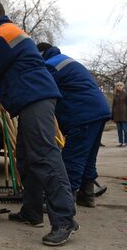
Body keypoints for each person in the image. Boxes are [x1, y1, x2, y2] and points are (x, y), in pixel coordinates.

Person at [0, 0, 77, 246]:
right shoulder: (14, 35)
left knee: (44, 157)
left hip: (36, 99)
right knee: (26, 157)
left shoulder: (2, 34)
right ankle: (32, 212)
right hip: (33, 99)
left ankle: (64, 221)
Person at [37, 43, 111, 208]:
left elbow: (40, 90)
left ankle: (63, 204)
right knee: (88, 158)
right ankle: (87, 196)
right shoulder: (65, 60)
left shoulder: (50, 66)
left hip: (83, 115)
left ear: (41, 54)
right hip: (99, 111)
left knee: (72, 159)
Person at [112, 82, 127, 147]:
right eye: (118, 85)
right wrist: (112, 115)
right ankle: (120, 142)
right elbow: (113, 105)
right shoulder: (115, 94)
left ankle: (125, 142)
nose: (119, 86)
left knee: (125, 129)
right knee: (119, 130)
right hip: (117, 115)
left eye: (120, 85)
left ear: (123, 86)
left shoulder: (125, 94)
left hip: (124, 115)